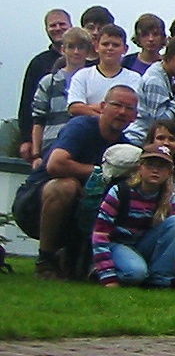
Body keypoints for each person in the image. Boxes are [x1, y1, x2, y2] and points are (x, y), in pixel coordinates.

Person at [36, 85, 139, 279]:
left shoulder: (125, 149)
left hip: (85, 214)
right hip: (38, 204)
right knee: (65, 186)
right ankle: (45, 261)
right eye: (117, 105)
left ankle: (83, 261)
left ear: (135, 116)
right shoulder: (81, 126)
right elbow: (55, 165)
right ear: (102, 106)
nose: (122, 112)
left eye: (130, 108)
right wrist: (104, 171)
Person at [91, 144, 175, 289]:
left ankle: (159, 280)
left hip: (143, 244)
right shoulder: (119, 191)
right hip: (119, 244)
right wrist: (108, 277)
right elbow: (100, 234)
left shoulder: (168, 198)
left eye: (161, 167)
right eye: (150, 165)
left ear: (169, 172)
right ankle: (100, 272)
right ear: (140, 168)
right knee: (135, 273)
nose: (155, 170)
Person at [28, 26, 92, 167]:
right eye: (71, 47)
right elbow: (38, 120)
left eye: (81, 47)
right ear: (63, 50)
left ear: (88, 51)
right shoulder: (49, 82)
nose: (76, 52)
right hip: (51, 145)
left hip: (84, 146)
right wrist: (36, 155)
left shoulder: (93, 80)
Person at [18, 9, 72, 161]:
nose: (57, 28)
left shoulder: (85, 62)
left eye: (62, 24)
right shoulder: (39, 63)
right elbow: (27, 102)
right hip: (45, 139)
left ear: (71, 26)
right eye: (52, 25)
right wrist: (26, 139)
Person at [123, 36, 175, 146]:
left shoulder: (166, 75)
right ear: (169, 56)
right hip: (139, 140)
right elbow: (160, 124)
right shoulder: (155, 80)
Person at [67, 25, 140, 116]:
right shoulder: (82, 75)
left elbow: (133, 109)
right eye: (105, 44)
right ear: (97, 47)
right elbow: (74, 107)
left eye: (115, 45)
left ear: (125, 49)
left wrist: (90, 107)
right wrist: (104, 119)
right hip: (88, 125)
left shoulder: (134, 78)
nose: (110, 48)